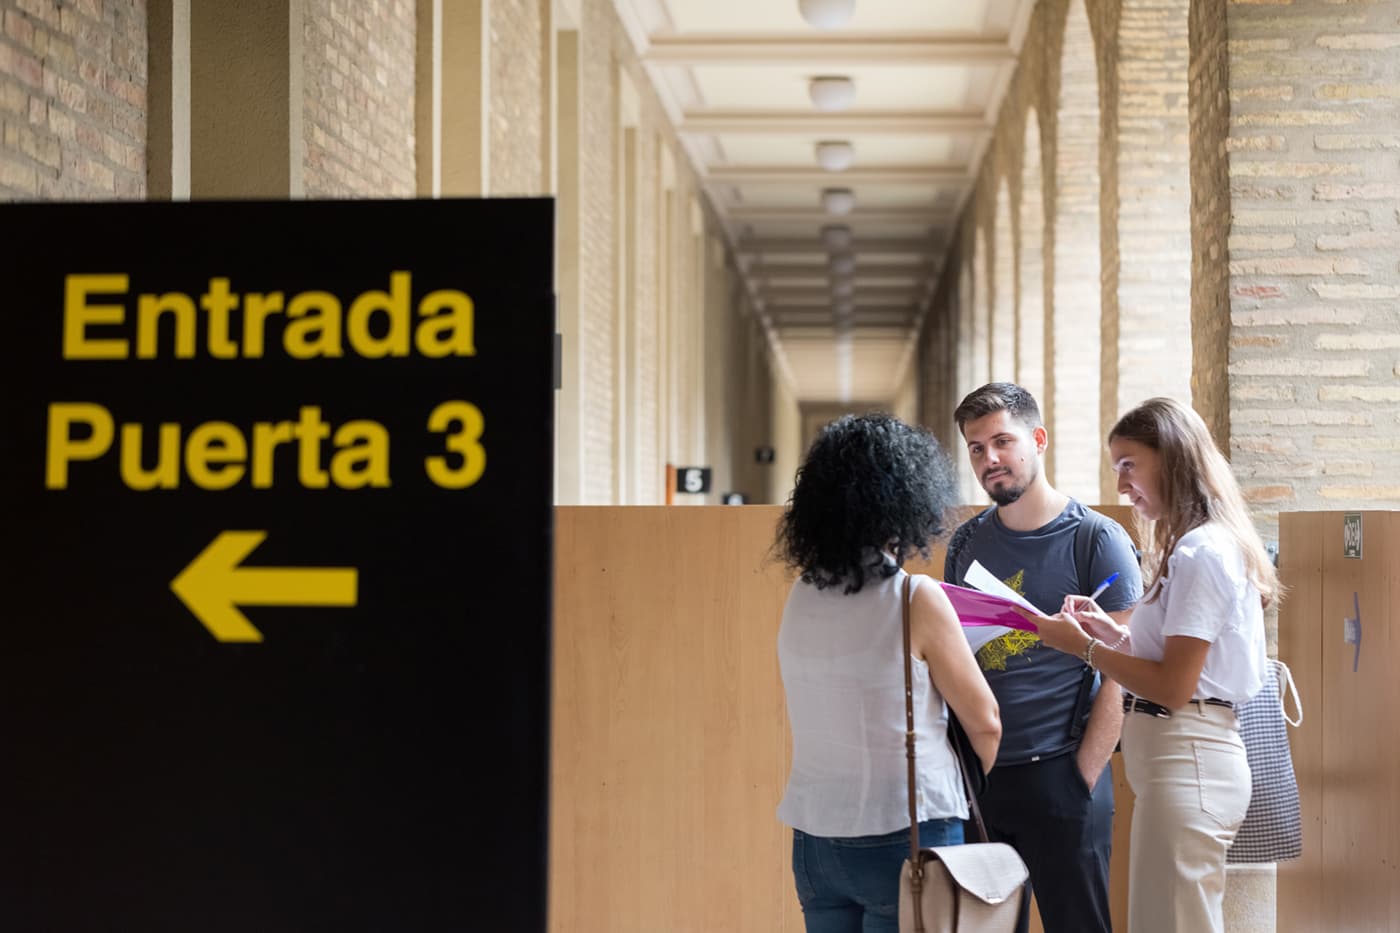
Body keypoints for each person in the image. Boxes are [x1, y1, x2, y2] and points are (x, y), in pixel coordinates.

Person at [1025, 397, 1277, 933]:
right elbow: (1178, 659)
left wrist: (1082, 649)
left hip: (1191, 766)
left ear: (1172, 458)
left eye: (1128, 465)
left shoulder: (1201, 553)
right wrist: (1112, 632)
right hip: (1180, 766)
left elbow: (1173, 687)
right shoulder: (1193, 548)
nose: (1120, 485)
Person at [774, 413, 1002, 933]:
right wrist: (969, 787)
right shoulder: (913, 596)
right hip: (908, 832)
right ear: (905, 500)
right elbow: (985, 721)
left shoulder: (800, 595)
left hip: (814, 839)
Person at [943, 383, 1143, 933]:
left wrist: (1082, 777)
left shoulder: (1097, 540)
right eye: (977, 448)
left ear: (1038, 439)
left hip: (1064, 773)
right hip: (983, 778)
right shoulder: (966, 544)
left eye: (1002, 442)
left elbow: (1122, 673)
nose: (991, 459)